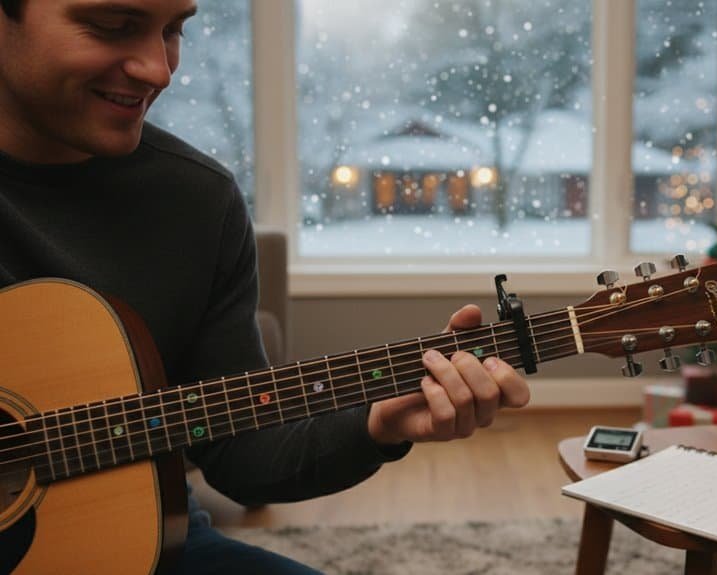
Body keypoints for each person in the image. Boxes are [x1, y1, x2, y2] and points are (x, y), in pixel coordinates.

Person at [0, 1, 531, 573]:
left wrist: (379, 422)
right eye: (111, 27)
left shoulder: (195, 202)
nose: (159, 70)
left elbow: (238, 451)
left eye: (174, 30)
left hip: (134, 545)